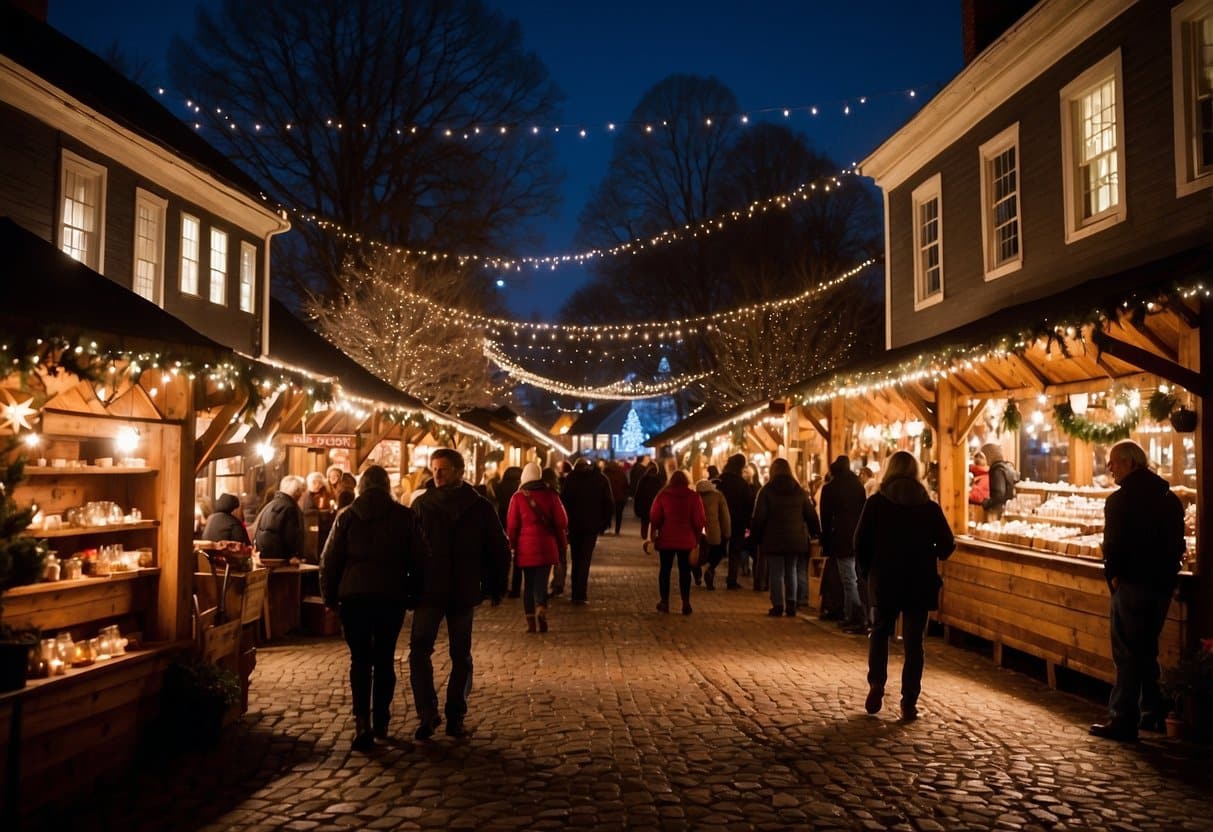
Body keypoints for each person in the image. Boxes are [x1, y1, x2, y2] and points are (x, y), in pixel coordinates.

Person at [319, 465, 427, 750]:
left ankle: (361, 722)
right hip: (390, 597)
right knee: (384, 658)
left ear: (361, 487)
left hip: (354, 598)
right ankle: (381, 719)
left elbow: (329, 561)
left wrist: (329, 597)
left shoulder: (348, 517)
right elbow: (420, 559)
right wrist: (413, 595)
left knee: (360, 660)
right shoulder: (405, 517)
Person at [409, 449, 510, 740]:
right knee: (420, 652)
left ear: (458, 471)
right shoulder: (423, 505)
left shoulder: (478, 507)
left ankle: (455, 714)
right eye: (434, 469)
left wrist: (495, 586)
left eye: (442, 469)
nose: (436, 474)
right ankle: (427, 714)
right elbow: (410, 549)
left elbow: (498, 549)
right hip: (431, 590)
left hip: (460, 590)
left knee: (460, 655)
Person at [1089, 440, 1185, 742]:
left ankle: (1122, 718)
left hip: (1131, 584)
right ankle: (1153, 712)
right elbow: (1177, 545)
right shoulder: (1169, 499)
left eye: (1114, 462)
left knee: (1127, 653)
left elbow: (1113, 545)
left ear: (1131, 463)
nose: (1110, 468)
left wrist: (1114, 578)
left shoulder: (1119, 501)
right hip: (1160, 586)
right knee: (1146, 649)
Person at [854, 451, 955, 722]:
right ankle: (909, 700)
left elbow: (860, 541)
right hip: (918, 581)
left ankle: (877, 683)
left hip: (885, 578)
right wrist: (930, 551)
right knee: (914, 643)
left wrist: (866, 571)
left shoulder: (876, 503)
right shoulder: (929, 506)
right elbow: (947, 545)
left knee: (880, 632)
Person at [750, 458, 821, 617]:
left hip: (773, 539)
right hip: (796, 539)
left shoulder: (766, 491)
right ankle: (791, 604)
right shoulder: (799, 491)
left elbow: (759, 517)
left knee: (776, 572)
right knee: (792, 571)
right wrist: (816, 532)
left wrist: (755, 537)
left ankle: (777, 605)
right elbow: (810, 515)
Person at [507, 462, 569, 632]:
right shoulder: (551, 495)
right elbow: (562, 522)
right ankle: (541, 607)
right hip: (547, 546)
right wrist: (562, 545)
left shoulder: (517, 497)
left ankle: (531, 623)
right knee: (541, 583)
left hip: (525, 549)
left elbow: (512, 526)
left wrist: (512, 545)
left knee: (528, 585)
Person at [819, 456, 868, 633]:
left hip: (841, 538)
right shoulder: (858, 487)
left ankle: (857, 616)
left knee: (848, 579)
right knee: (854, 579)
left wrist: (825, 542)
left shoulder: (830, 489)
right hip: (858, 537)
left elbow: (825, 519)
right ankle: (850, 614)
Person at [647, 470, 706, 615]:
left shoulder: (663, 496)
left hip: (666, 539)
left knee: (665, 571)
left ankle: (665, 602)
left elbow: (654, 517)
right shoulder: (693, 496)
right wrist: (697, 538)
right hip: (687, 540)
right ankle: (686, 603)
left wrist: (655, 532)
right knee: (685, 572)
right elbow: (699, 521)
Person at [560, 460, 614, 604]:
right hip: (592, 526)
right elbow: (609, 503)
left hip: (574, 525)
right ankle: (580, 594)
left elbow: (563, 501)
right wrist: (603, 523)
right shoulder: (600, 479)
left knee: (576, 558)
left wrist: (565, 523)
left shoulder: (571, 478)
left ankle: (575, 593)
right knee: (585, 559)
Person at [715, 454, 755, 590]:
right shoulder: (742, 484)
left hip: (721, 519)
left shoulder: (720, 480)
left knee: (719, 547)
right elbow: (749, 504)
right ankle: (731, 579)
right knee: (735, 550)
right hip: (739, 521)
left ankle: (710, 568)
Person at [253, 475, 306, 559]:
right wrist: (293, 556)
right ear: (297, 492)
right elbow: (291, 536)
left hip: (265, 556)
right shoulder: (290, 508)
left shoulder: (271, 504)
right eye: (301, 491)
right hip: (281, 559)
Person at [694, 479, 731, 591]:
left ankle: (696, 569)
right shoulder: (718, 495)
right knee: (716, 554)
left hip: (697, 532)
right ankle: (710, 570)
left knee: (698, 554)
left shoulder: (695, 496)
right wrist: (727, 532)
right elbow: (725, 516)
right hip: (714, 532)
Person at [981, 443, 1017, 519]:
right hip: (1006, 509)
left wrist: (987, 503)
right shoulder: (1006, 467)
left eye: (983, 456)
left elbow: (999, 494)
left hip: (997, 511)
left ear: (989, 455)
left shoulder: (997, 470)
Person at [633, 463, 663, 540]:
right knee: (654, 522)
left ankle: (645, 536)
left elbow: (638, 494)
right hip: (655, 506)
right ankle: (652, 537)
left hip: (644, 506)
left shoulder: (643, 479)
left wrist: (637, 507)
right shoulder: (659, 480)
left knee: (644, 522)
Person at [603, 460, 630, 535]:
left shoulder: (605, 473)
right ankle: (617, 530)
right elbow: (626, 485)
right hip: (620, 498)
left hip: (608, 497)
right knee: (619, 515)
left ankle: (605, 528)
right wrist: (625, 496)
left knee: (607, 513)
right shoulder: (621, 473)